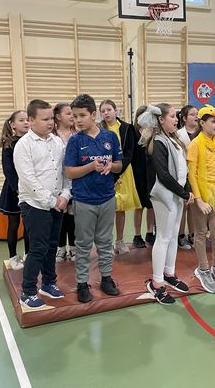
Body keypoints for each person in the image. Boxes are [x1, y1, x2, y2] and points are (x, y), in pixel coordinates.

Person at [65, 94, 122, 303]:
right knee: (83, 245)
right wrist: (91, 166)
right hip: (84, 200)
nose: (78, 120)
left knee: (106, 242)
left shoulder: (110, 137)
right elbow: (69, 172)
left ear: (93, 114)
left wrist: (111, 166)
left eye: (82, 115)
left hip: (107, 198)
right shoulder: (75, 141)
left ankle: (106, 278)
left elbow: (119, 165)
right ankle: (82, 283)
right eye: (74, 116)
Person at [14, 99, 71, 310]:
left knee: (52, 245)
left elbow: (65, 172)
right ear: (31, 120)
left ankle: (48, 283)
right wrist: (51, 201)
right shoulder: (23, 146)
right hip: (34, 204)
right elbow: (29, 180)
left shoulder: (56, 142)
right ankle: (28, 292)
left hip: (57, 202)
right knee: (38, 248)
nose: (50, 123)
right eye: (45, 119)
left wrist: (65, 195)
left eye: (51, 119)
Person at [138, 104, 194, 304]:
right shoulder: (158, 142)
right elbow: (163, 175)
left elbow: (182, 169)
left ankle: (169, 273)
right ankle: (156, 283)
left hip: (176, 195)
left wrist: (187, 189)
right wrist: (183, 192)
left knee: (172, 236)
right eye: (172, 116)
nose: (176, 119)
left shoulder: (174, 140)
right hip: (164, 196)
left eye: (176, 116)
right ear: (161, 120)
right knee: (163, 237)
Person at [187, 105, 215, 293]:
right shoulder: (195, 144)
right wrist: (199, 200)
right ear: (202, 123)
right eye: (213, 122)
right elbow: (192, 175)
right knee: (200, 233)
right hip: (201, 194)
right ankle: (203, 269)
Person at [99, 99, 141, 254]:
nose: (106, 113)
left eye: (109, 109)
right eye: (103, 111)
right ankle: (106, 243)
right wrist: (108, 169)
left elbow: (130, 152)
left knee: (120, 208)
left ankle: (119, 241)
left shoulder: (126, 128)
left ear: (115, 111)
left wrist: (119, 169)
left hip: (123, 171)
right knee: (106, 210)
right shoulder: (99, 129)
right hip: (105, 172)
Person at [0, 110, 30, 270]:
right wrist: (18, 189)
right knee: (14, 224)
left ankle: (28, 254)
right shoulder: (9, 144)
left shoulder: (31, 141)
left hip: (30, 189)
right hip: (14, 190)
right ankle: (13, 257)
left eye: (27, 119)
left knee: (29, 225)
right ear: (12, 124)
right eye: (21, 120)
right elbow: (8, 170)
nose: (26, 122)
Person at [53, 102, 77, 262]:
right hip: (57, 182)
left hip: (74, 181)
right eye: (68, 113)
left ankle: (74, 248)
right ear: (58, 116)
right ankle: (60, 247)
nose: (72, 116)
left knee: (72, 217)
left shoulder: (77, 134)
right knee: (60, 215)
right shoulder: (52, 136)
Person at [131, 106, 155, 249]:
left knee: (151, 204)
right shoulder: (133, 132)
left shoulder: (153, 131)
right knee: (139, 205)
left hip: (151, 172)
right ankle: (137, 234)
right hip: (137, 172)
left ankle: (150, 232)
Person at [176, 105, 199, 248]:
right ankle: (180, 235)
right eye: (192, 114)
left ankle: (193, 234)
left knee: (194, 207)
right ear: (184, 118)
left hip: (197, 174)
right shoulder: (178, 135)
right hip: (183, 174)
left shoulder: (201, 133)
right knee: (183, 206)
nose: (196, 116)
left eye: (197, 114)